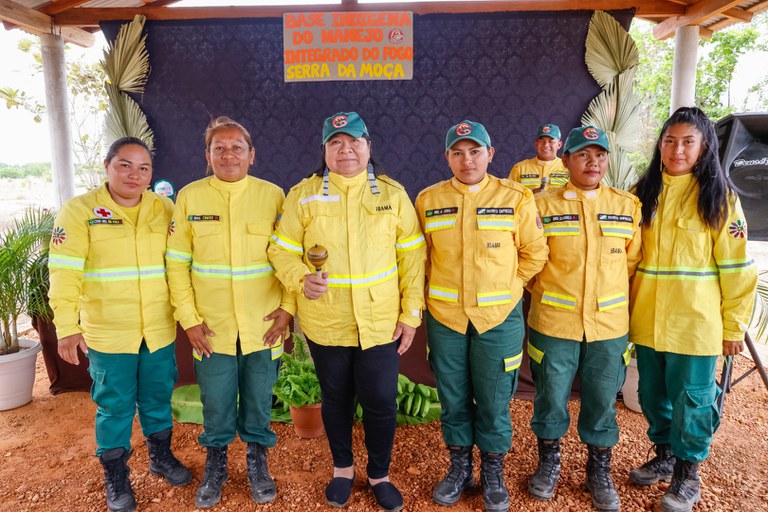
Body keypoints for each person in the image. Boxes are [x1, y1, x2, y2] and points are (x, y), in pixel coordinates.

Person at [268, 111, 426, 512]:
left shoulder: (392, 195)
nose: (346, 149)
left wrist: (411, 314)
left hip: (379, 323)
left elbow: (412, 256)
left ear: (369, 146)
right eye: (336, 142)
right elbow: (281, 249)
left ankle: (379, 474)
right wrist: (301, 277)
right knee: (335, 399)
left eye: (354, 140)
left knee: (380, 401)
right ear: (324, 150)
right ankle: (342, 469)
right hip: (326, 322)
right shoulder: (302, 194)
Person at [49, 137, 191, 512]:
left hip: (158, 329)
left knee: (158, 397)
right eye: (125, 165)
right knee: (115, 407)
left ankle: (160, 458)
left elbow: (179, 263)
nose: (134, 174)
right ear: (107, 166)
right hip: (110, 332)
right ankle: (116, 475)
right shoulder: (79, 211)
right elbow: (63, 273)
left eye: (143, 168)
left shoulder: (165, 208)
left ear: (151, 174)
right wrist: (66, 325)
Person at [414, 120, 548, 512]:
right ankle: (459, 469)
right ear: (447, 158)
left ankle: (492, 471)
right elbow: (419, 258)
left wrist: (510, 286)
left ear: (490, 154)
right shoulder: (428, 199)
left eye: (475, 151)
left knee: (492, 400)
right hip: (446, 319)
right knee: (453, 398)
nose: (466, 159)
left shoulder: (516, 197)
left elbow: (535, 252)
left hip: (498, 319)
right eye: (458, 152)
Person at [629, 107, 757, 512]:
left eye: (687, 141)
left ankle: (688, 474)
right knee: (653, 395)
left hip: (695, 326)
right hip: (647, 321)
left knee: (693, 401)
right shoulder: (642, 194)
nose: (676, 149)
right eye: (669, 140)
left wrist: (733, 326)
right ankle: (665, 457)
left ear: (704, 147)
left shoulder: (720, 199)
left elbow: (737, 269)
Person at [166, 116, 294, 509]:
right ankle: (216, 464)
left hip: (264, 325)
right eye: (219, 147)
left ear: (252, 155)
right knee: (217, 402)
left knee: (258, 399)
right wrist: (188, 320)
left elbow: (292, 256)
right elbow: (176, 264)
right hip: (212, 328)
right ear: (207, 155)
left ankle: (258, 463)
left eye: (237, 147)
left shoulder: (275, 196)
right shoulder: (189, 197)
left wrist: (289, 309)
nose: (228, 154)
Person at [525, 126, 642, 512]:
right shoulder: (541, 205)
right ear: (565, 160)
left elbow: (631, 264)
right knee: (550, 397)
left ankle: (599, 470)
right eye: (583, 155)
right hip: (554, 324)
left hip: (608, 327)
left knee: (602, 400)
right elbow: (531, 264)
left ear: (608, 159)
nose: (593, 162)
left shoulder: (627, 206)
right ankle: (549, 463)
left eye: (600, 155)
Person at [509, 123, 569, 193]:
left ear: (559, 145)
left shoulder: (568, 168)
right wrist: (531, 194)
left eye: (551, 141)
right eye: (542, 141)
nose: (546, 145)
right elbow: (510, 196)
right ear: (536, 143)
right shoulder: (520, 168)